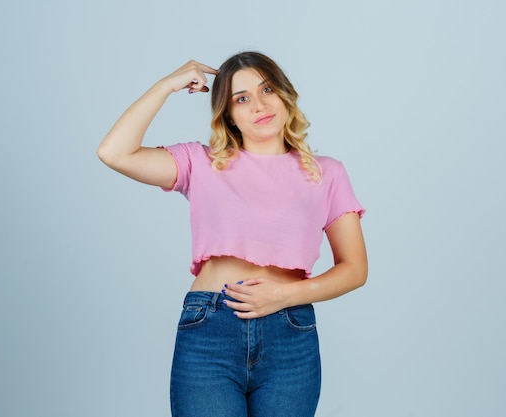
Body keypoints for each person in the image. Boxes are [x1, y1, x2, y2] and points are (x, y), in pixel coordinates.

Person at [97, 51, 367, 417]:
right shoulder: (201, 162)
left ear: (285, 94)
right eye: (242, 98)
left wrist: (285, 295)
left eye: (267, 89)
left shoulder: (327, 173)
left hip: (290, 337)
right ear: (229, 114)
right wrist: (167, 85)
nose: (259, 105)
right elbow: (114, 152)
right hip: (210, 331)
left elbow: (354, 269)